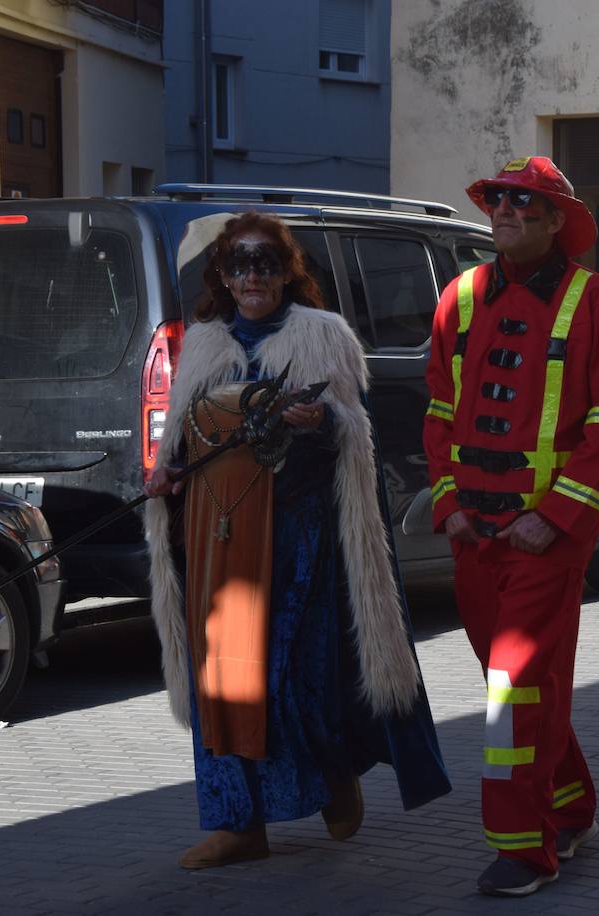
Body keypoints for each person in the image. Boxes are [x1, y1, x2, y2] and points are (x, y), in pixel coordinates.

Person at [144, 211, 450, 869]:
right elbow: (183, 437)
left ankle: (333, 773)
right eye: (239, 264)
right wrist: (166, 470)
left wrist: (321, 420)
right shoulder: (201, 341)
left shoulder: (323, 335)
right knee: (225, 684)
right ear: (221, 275)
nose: (253, 276)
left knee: (289, 675)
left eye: (267, 263)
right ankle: (237, 823)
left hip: (301, 538)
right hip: (220, 541)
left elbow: (353, 432)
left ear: (288, 271)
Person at [424, 156, 599, 897]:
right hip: (474, 536)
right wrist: (447, 502)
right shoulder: (457, 298)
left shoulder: (598, 301)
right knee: (521, 682)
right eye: (500, 200)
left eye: (525, 202)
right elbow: (439, 412)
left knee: (511, 687)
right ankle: (573, 807)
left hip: (544, 539)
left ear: (555, 222)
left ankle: (524, 848)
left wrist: (556, 517)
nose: (507, 210)